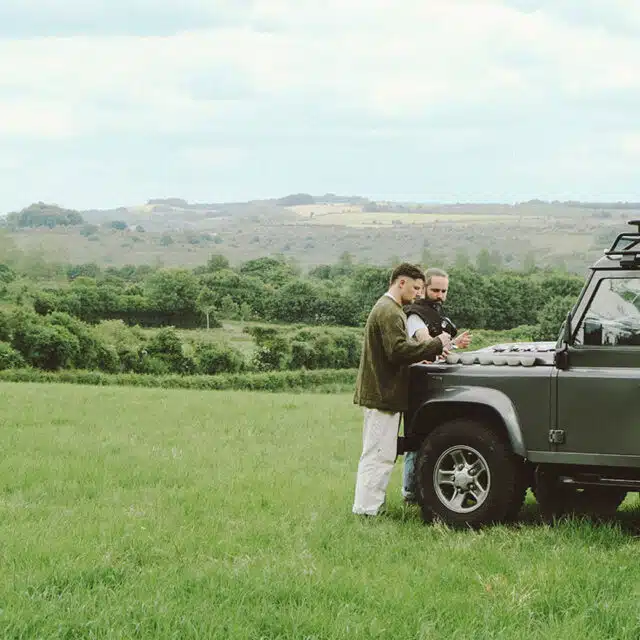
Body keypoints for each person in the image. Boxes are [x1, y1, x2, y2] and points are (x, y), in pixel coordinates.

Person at [352, 263, 452, 517]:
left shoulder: (389, 309)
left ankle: (370, 508)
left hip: (383, 394)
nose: (418, 294)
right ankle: (367, 510)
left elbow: (397, 352)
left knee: (380, 453)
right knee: (378, 455)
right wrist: (436, 345)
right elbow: (397, 351)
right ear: (401, 283)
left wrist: (420, 357)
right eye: (416, 288)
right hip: (382, 395)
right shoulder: (390, 311)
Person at [401, 267, 472, 503]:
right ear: (424, 289)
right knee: (416, 434)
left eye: (444, 291)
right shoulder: (414, 315)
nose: (440, 295)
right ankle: (410, 491)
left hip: (437, 378)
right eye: (435, 290)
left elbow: (438, 346)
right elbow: (425, 342)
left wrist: (453, 343)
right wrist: (445, 342)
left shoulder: (436, 314)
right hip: (419, 379)